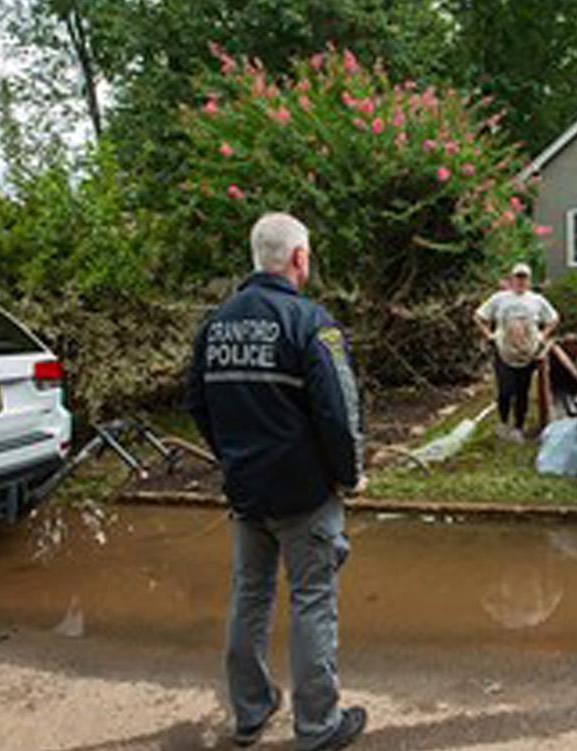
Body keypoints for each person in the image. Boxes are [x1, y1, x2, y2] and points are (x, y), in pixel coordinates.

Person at [187, 212, 368, 751]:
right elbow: (339, 412)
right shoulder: (311, 322)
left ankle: (250, 711)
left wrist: (233, 457)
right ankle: (318, 726)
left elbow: (198, 404)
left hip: (246, 489)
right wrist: (350, 475)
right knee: (312, 599)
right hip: (304, 494)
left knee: (250, 595)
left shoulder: (214, 324)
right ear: (298, 258)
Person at [474, 263, 559, 442]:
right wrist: (489, 335)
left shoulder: (537, 300)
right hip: (504, 352)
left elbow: (553, 318)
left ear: (529, 280)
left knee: (522, 392)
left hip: (527, 353)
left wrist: (542, 336)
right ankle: (503, 424)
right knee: (505, 391)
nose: (521, 281)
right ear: (511, 279)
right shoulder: (499, 299)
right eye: (517, 277)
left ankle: (518, 428)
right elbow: (479, 316)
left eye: (524, 277)